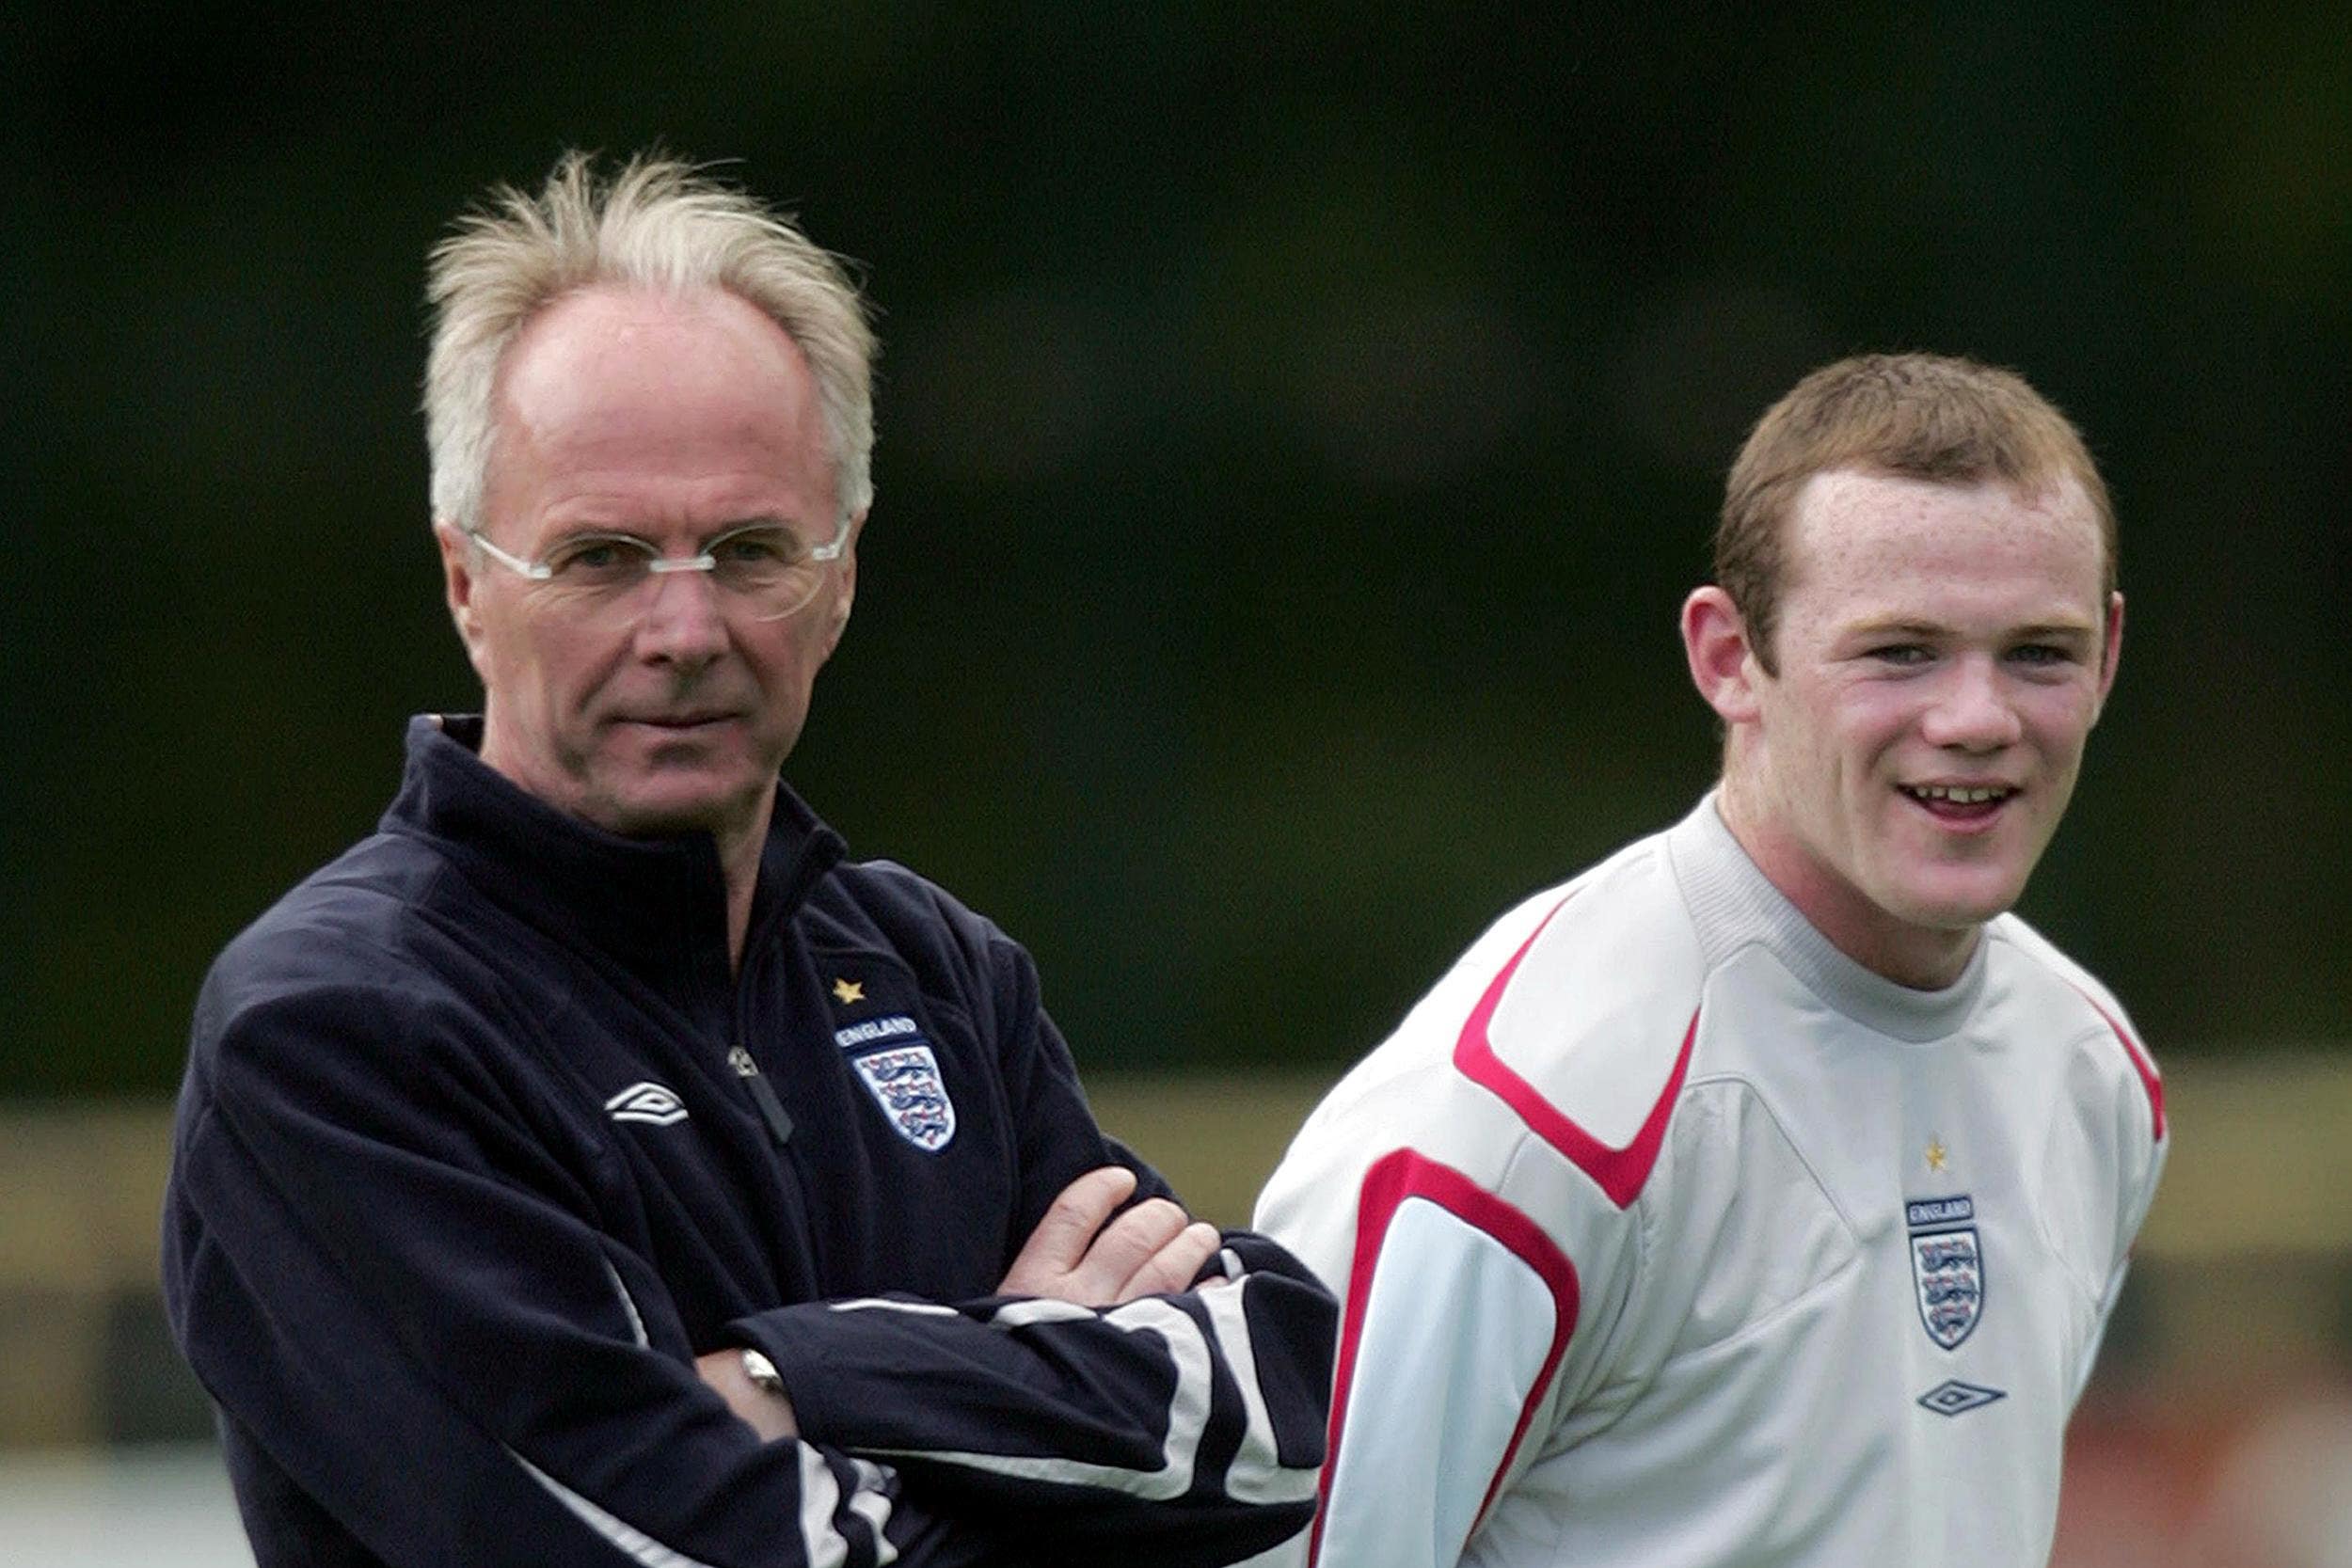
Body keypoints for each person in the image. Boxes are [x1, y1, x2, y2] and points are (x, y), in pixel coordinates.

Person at [161, 150, 1330, 1568]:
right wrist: (1044, 1404)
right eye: (599, 558)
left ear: (841, 578)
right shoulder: (342, 1030)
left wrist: (793, 1381)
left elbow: (1290, 1410)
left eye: (748, 549)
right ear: (468, 584)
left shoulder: (934, 970)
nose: (683, 629)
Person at [1253, 353, 2167, 1567]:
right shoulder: (1529, 1119)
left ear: (2107, 657)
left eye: (2038, 653)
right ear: (1730, 657)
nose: (1977, 717)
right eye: (1899, 651)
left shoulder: (2091, 1066)